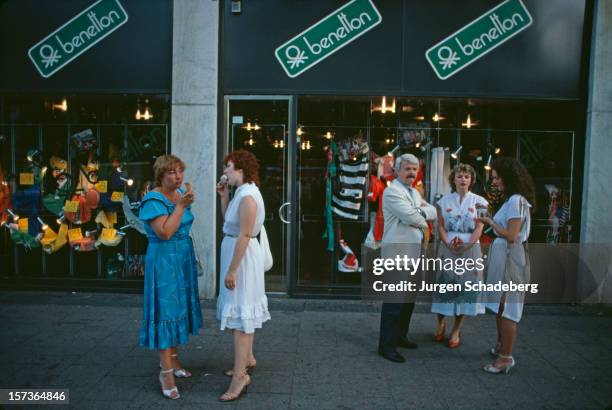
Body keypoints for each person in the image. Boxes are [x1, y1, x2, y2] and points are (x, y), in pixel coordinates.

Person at [138, 155, 202, 400]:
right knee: (166, 311)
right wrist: (182, 206)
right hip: (164, 260)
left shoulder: (178, 196)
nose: (178, 177)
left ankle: (173, 361)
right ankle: (165, 373)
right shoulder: (153, 199)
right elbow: (164, 232)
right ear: (160, 176)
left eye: (180, 172)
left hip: (182, 258)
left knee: (178, 309)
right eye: (172, 173)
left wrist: (182, 203)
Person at [216, 149, 271, 401]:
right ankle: (247, 359)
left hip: (243, 259)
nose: (225, 170)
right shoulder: (241, 192)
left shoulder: (248, 195)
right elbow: (230, 223)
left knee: (240, 317)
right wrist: (223, 196)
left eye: (228, 166)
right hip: (239, 254)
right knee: (241, 311)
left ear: (240, 168)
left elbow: (245, 235)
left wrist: (232, 269)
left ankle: (240, 376)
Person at [477, 157, 535, 374]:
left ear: (508, 177)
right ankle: (502, 347)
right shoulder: (514, 200)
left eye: (497, 177)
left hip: (511, 256)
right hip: (508, 255)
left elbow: (512, 235)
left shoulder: (515, 201)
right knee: (502, 305)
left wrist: (491, 223)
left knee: (508, 306)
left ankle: (505, 358)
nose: (495, 182)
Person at [378, 153, 437, 363]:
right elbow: (413, 217)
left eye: (414, 169)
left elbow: (433, 211)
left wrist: (419, 211)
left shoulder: (412, 192)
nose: (411, 172)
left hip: (414, 253)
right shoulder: (392, 192)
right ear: (397, 170)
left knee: (408, 301)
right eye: (407, 169)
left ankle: (400, 336)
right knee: (394, 302)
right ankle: (386, 346)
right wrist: (420, 213)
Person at [431, 163, 488, 348]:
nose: (463, 179)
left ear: (471, 180)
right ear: (453, 179)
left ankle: (456, 330)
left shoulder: (480, 202)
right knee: (445, 286)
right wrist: (448, 243)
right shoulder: (443, 201)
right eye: (459, 176)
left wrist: (468, 245)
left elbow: (480, 226)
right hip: (448, 246)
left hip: (470, 249)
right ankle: (441, 323)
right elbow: (440, 225)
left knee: (464, 289)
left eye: (466, 176)